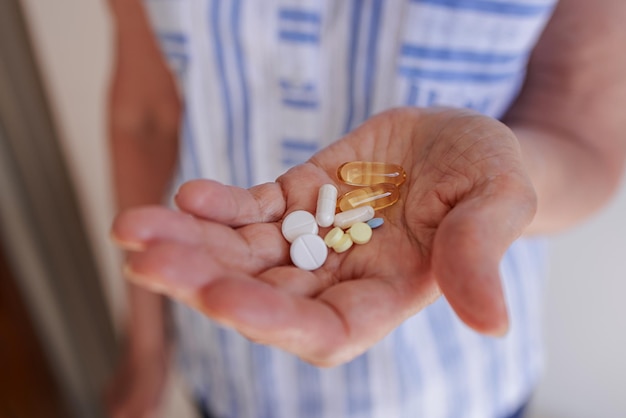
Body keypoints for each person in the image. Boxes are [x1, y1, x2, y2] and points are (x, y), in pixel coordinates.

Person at [104, 0, 626, 417]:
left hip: (458, 387)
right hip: (228, 362)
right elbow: (146, 117)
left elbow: (585, 141)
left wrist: (501, 175)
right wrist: (147, 343)